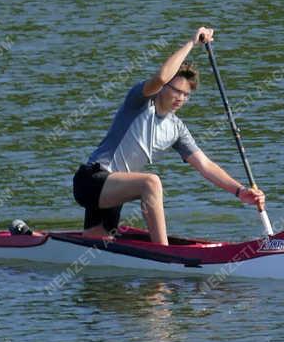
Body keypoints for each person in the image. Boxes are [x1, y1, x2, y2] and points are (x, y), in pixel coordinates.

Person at [73, 28, 266, 245]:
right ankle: (163, 252)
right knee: (151, 182)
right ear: (164, 88)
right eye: (176, 90)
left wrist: (240, 191)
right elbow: (162, 76)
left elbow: (205, 165)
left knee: (95, 246)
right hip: (91, 180)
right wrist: (191, 42)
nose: (180, 98)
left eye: (186, 95)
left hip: (115, 191)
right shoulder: (140, 101)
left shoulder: (177, 129)